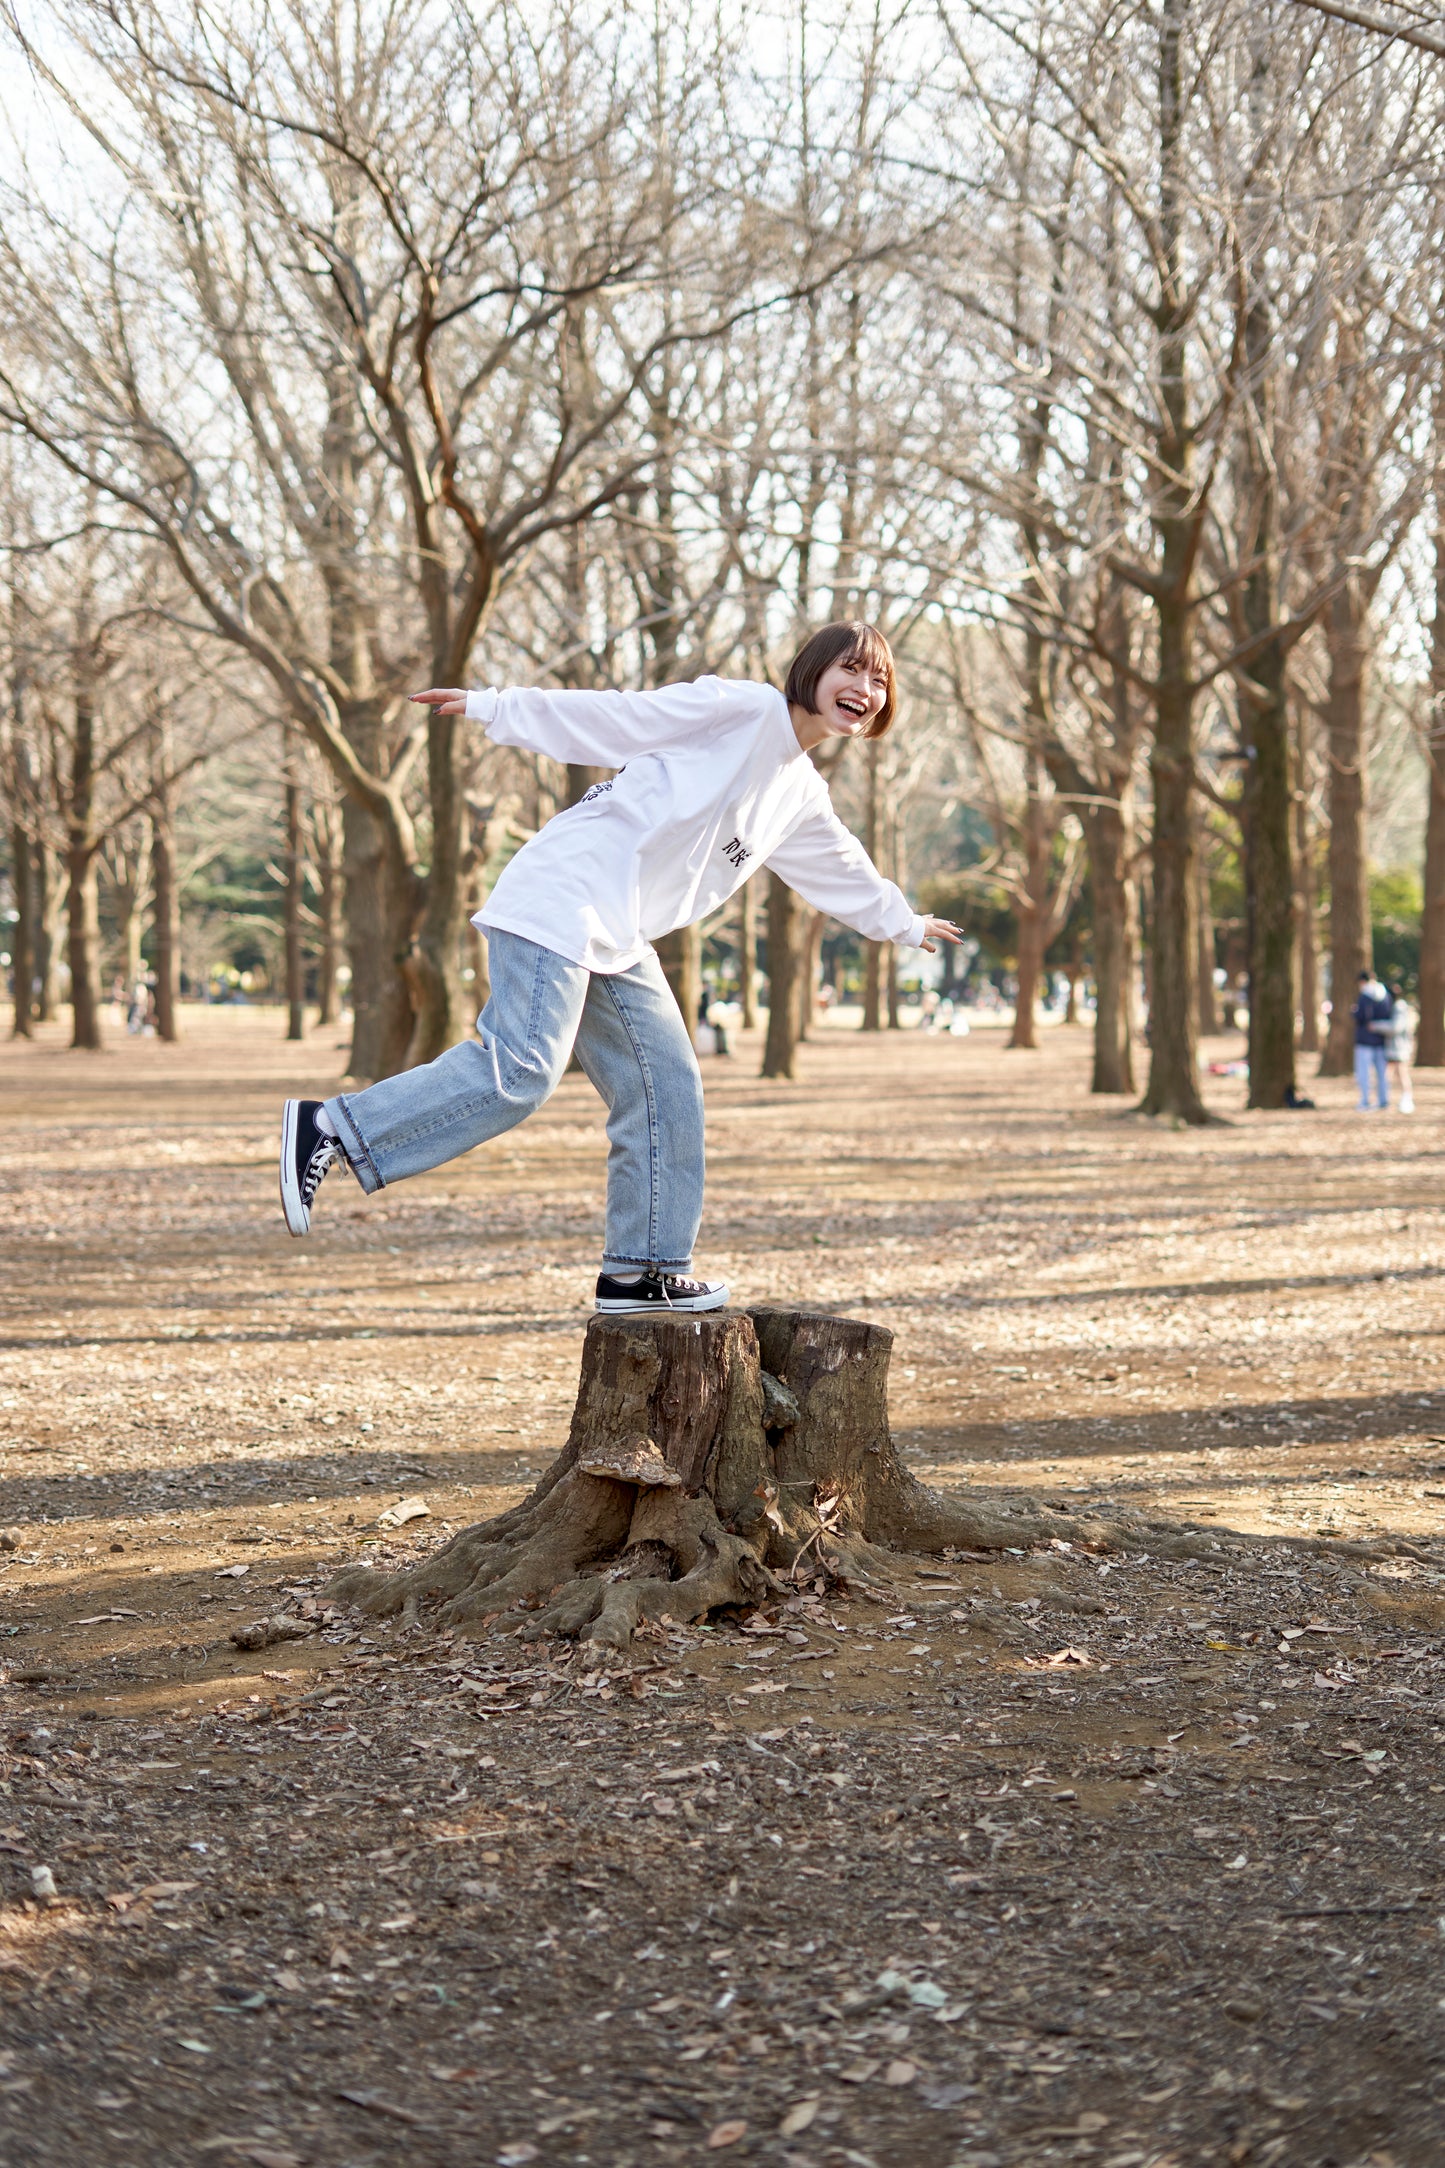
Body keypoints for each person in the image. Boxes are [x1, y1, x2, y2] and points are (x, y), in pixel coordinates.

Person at [278, 622, 963, 1313]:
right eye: (852, 670)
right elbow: (624, 717)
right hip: (565, 894)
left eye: (879, 681)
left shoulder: (800, 795)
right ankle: (334, 1126)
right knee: (520, 1072)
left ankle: (642, 1272)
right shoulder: (745, 708)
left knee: (667, 1088)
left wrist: (901, 922)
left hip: (618, 932)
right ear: (811, 671)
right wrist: (499, 708)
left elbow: (838, 866)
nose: (866, 690)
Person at [1353, 969, 1393, 1110]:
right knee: (1382, 1073)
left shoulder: (1364, 996)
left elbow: (1360, 1016)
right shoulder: (1386, 995)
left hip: (1364, 1040)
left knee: (1364, 1073)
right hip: (1381, 1040)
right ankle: (1384, 1100)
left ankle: (1365, 1100)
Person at [1384, 985, 1415, 1113]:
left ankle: (1407, 1098)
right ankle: (1386, 1098)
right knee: (1389, 1073)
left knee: (1402, 1072)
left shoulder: (1399, 1008)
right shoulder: (1396, 1007)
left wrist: (1376, 1025)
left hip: (1399, 1047)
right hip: (1394, 1047)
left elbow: (1396, 1028)